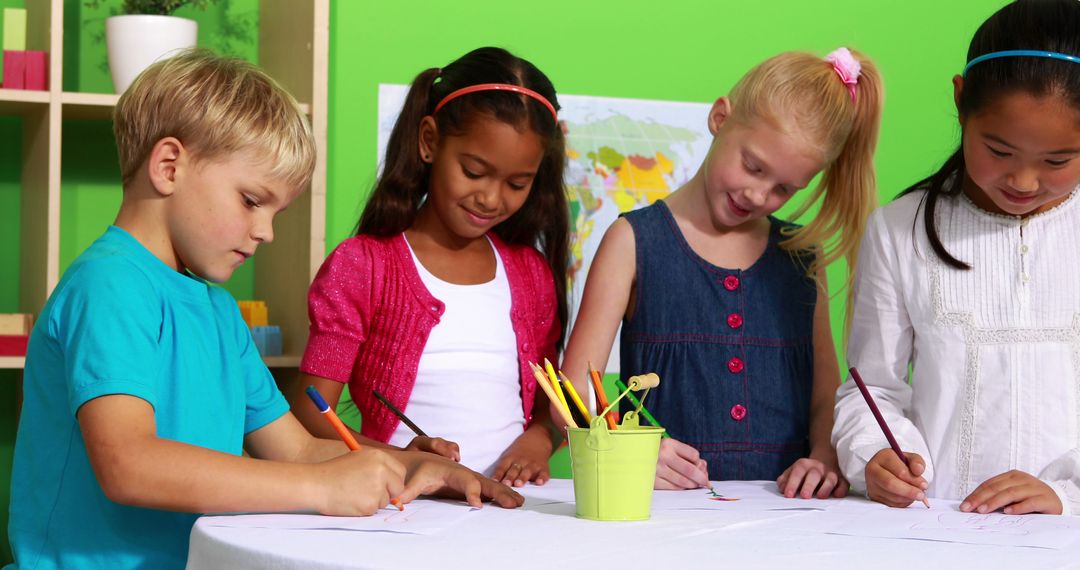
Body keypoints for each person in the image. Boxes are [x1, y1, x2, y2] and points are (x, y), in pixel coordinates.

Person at [7, 49, 521, 570]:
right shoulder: (110, 285)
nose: (265, 231)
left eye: (276, 212)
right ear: (168, 166)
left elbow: (298, 450)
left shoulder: (220, 313)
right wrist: (320, 487)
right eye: (252, 201)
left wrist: (416, 468)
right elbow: (129, 464)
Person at [561, 47, 882, 497]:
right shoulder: (632, 241)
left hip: (786, 519)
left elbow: (823, 396)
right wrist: (626, 446)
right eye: (753, 166)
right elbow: (573, 390)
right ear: (720, 118)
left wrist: (825, 459)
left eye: (784, 189)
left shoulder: (802, 257)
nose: (757, 193)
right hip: (663, 511)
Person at [832, 0, 1080, 515]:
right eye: (999, 150)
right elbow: (870, 387)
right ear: (961, 101)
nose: (1024, 181)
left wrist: (1065, 495)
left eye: (1058, 160)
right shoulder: (897, 231)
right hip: (941, 529)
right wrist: (876, 455)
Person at [287, 47, 569, 487]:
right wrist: (405, 459)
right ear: (429, 141)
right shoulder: (364, 266)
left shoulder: (531, 275)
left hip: (511, 519)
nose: (492, 198)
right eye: (474, 172)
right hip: (401, 509)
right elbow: (310, 412)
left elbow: (552, 404)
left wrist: (540, 436)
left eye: (517, 183)